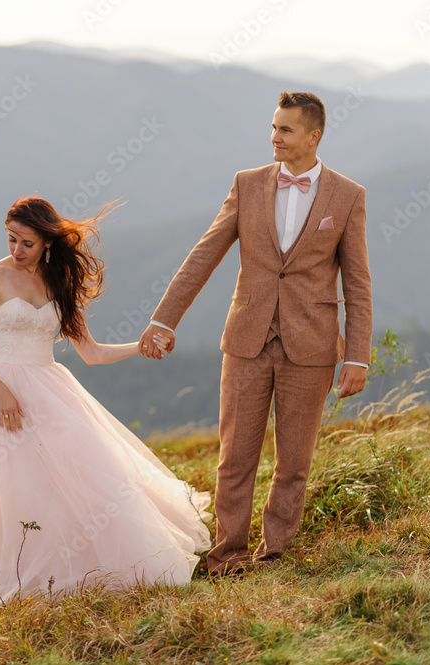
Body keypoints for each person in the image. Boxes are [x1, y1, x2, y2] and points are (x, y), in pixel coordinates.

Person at [139, 91, 373, 577]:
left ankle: (275, 555)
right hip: (246, 339)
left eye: (285, 130)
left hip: (311, 347)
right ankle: (228, 556)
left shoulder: (349, 196)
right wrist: (164, 319)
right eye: (272, 127)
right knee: (235, 457)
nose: (274, 137)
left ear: (314, 136)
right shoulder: (246, 185)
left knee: (294, 463)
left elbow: (357, 282)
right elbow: (204, 255)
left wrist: (357, 355)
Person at [0, 196, 211, 616]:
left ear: (47, 244)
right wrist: (2, 392)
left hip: (51, 390)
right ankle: (18, 576)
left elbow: (91, 353)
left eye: (27, 243)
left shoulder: (59, 284)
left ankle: (78, 570)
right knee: (16, 486)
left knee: (80, 475)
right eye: (11, 239)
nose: (17, 250)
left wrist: (140, 346)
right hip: (2, 393)